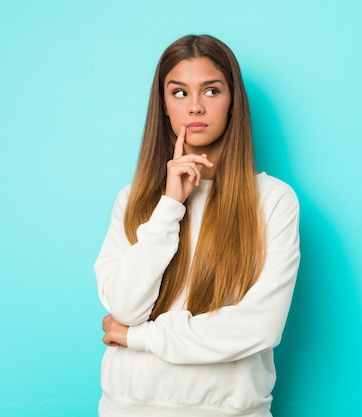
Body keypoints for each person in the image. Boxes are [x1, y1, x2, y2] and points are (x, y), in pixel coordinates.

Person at [94, 34, 300, 417]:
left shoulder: (273, 200)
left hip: (228, 409)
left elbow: (259, 327)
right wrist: (170, 205)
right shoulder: (134, 199)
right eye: (179, 93)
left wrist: (138, 337)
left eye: (211, 91)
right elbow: (124, 305)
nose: (195, 108)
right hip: (127, 406)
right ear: (164, 106)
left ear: (233, 101)